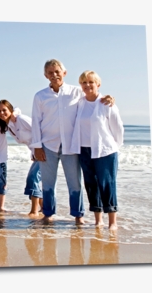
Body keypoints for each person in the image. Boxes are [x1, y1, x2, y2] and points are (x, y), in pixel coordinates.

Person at [30, 59, 114, 224]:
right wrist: (37, 146)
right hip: (48, 145)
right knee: (48, 183)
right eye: (50, 72)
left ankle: (78, 215)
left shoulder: (76, 92)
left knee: (75, 182)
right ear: (45, 76)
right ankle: (48, 213)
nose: (54, 75)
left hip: (72, 146)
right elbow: (35, 121)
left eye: (57, 71)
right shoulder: (40, 96)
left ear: (64, 73)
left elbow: (93, 97)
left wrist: (107, 97)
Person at [69, 71, 124, 230]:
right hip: (85, 150)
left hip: (105, 151)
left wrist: (113, 147)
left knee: (107, 184)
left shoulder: (106, 104)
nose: (87, 85)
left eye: (91, 82)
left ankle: (112, 222)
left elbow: (118, 128)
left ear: (98, 84)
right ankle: (98, 220)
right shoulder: (79, 103)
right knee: (91, 184)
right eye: (84, 82)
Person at [0, 100, 42, 216]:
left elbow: (40, 130)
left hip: (45, 151)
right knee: (32, 179)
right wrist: (33, 153)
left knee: (33, 178)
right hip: (36, 153)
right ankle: (44, 208)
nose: (1, 113)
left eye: (4, 110)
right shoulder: (9, 125)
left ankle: (34, 211)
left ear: (10, 110)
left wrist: (39, 149)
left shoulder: (20, 119)